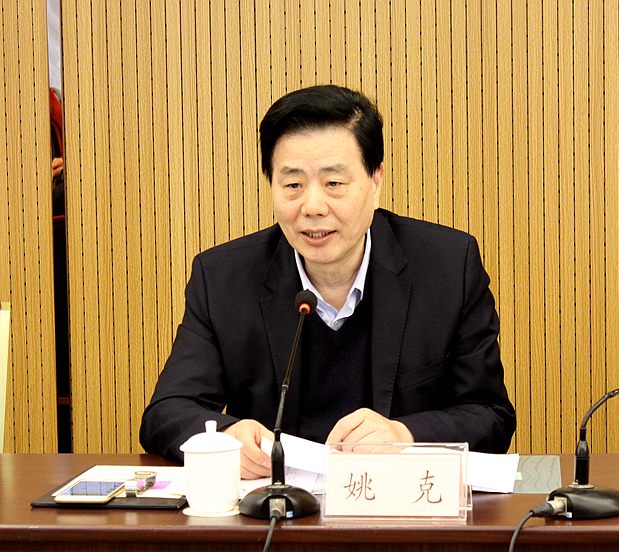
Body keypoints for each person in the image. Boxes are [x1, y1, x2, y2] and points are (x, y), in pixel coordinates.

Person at [140, 85, 516, 479]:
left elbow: (490, 415)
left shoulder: (447, 267)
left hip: (399, 505)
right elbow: (167, 413)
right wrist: (226, 435)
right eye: (293, 185)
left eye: (334, 183)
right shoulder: (223, 279)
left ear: (375, 179)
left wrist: (405, 435)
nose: (313, 207)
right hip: (275, 508)